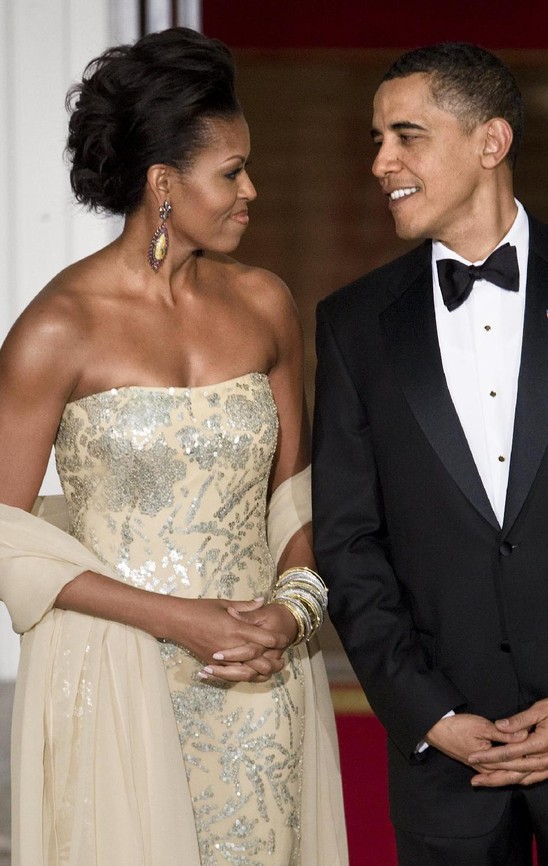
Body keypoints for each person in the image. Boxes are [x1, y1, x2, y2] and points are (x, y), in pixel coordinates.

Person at [0, 27, 347, 866]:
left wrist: (291, 614)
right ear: (163, 184)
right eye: (231, 171)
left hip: (259, 676)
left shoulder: (265, 303)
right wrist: (175, 620)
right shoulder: (58, 328)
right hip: (117, 682)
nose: (251, 190)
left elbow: (292, 498)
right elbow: (3, 534)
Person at [312, 41, 548, 866]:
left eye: (406, 135)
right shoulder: (352, 323)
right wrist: (429, 714)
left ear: (490, 143)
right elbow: (349, 543)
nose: (381, 162)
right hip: (443, 763)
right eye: (375, 139)